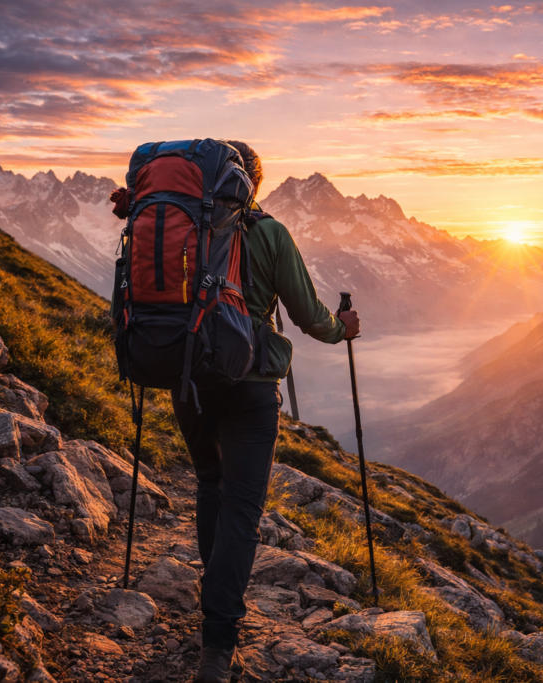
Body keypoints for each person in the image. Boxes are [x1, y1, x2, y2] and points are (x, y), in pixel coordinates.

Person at [175, 141, 360, 683]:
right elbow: (307, 314)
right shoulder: (270, 233)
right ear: (250, 184)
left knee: (210, 487)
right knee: (241, 508)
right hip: (251, 388)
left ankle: (213, 605)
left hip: (188, 382)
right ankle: (218, 645)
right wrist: (341, 328)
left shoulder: (185, 226)